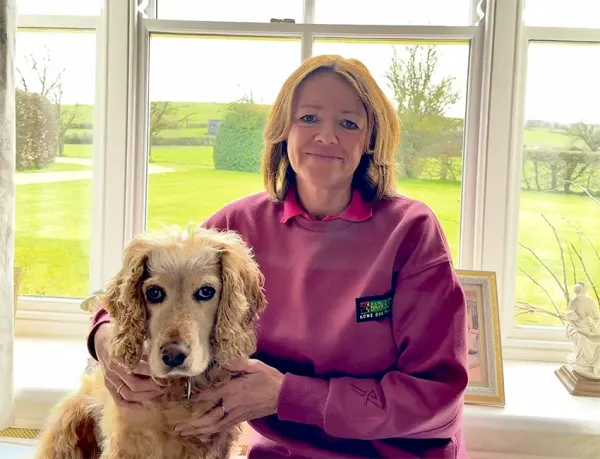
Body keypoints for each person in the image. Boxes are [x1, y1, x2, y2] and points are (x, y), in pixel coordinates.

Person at [88, 54, 470, 458]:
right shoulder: (237, 227)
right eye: (309, 118)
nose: (326, 136)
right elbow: (139, 290)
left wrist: (288, 396)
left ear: (371, 140)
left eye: (348, 123)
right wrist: (104, 337)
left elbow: (435, 397)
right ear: (282, 130)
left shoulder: (410, 231)